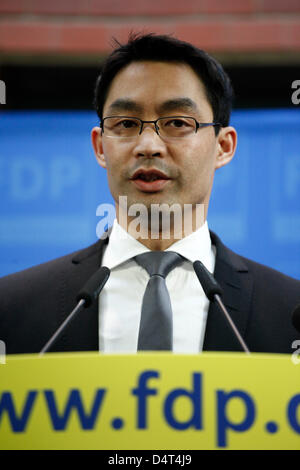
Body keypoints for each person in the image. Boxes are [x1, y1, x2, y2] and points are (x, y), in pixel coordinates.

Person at [0, 33, 299, 355]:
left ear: (223, 147)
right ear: (101, 147)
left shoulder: (289, 312)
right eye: (126, 123)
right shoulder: (12, 307)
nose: (148, 146)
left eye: (177, 122)